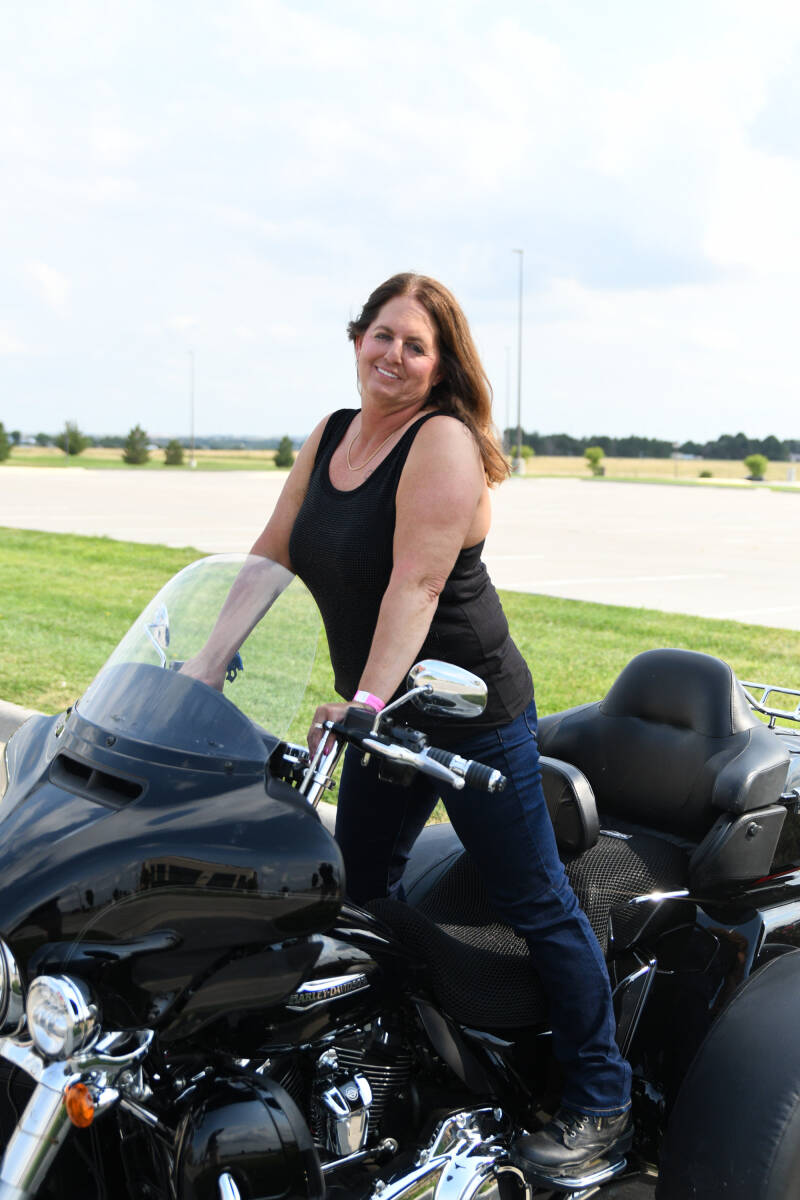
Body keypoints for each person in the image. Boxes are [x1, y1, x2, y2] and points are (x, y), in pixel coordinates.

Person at [186, 272, 631, 1177]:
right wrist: (205, 662)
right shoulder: (332, 433)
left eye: (415, 345)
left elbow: (417, 584)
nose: (393, 354)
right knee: (356, 894)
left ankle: (602, 1098)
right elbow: (272, 552)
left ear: (440, 365)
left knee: (534, 900)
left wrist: (366, 705)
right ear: (357, 339)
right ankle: (387, 1072)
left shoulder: (442, 442)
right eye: (382, 335)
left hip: (468, 710)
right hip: (382, 710)